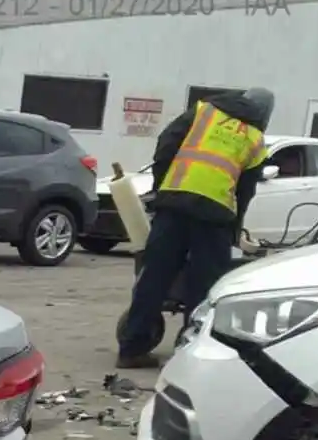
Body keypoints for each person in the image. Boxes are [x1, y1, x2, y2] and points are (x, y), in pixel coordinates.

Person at [115, 87, 275, 368]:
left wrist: (162, 186)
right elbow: (245, 191)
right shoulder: (255, 139)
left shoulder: (204, 111)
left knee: (154, 275)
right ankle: (190, 352)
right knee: (204, 285)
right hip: (214, 214)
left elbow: (167, 143)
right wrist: (235, 230)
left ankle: (132, 348)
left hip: (174, 202)